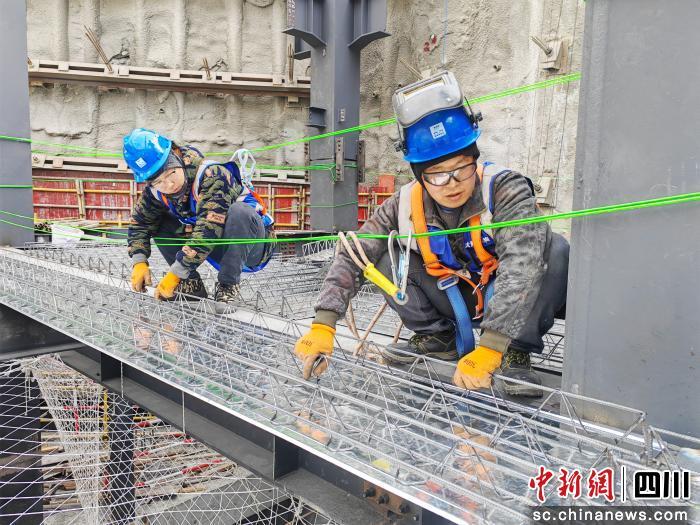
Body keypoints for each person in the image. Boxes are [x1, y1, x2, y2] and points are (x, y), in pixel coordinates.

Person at [294, 72, 569, 396]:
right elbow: (355, 253)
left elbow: (522, 265)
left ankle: (515, 353)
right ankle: (437, 339)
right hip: (453, 296)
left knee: (554, 250)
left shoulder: (505, 189)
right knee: (382, 257)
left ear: (474, 160)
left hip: (509, 302)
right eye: (437, 174)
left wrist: (492, 345)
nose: (451, 184)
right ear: (420, 175)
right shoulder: (404, 203)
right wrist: (324, 323)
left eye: (461, 168)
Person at [123, 128, 275, 312]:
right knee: (160, 220)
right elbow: (140, 223)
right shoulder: (155, 191)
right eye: (158, 182)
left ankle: (228, 287)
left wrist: (176, 273)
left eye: (170, 174)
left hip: (253, 246)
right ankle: (191, 286)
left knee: (239, 212)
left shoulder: (213, 175)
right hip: (215, 247)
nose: (168, 185)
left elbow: (209, 229)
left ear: (175, 154)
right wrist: (139, 260)